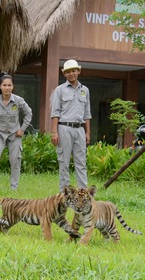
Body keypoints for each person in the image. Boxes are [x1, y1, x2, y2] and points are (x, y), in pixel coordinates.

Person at [0, 73, 32, 191]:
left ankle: (13, 187)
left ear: (12, 86)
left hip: (14, 135)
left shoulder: (18, 101)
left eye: (9, 85)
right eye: (4, 85)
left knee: (15, 160)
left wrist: (22, 129)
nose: (7, 87)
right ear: (0, 86)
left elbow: (28, 113)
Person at [50, 59, 91, 192]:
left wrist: (87, 132)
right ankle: (65, 194)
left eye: (73, 71)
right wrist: (54, 132)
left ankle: (83, 193)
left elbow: (87, 114)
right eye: (68, 72)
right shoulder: (60, 90)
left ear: (78, 71)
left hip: (79, 129)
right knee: (64, 163)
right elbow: (55, 112)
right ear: (64, 74)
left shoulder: (85, 90)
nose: (71, 74)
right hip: (64, 129)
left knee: (81, 163)